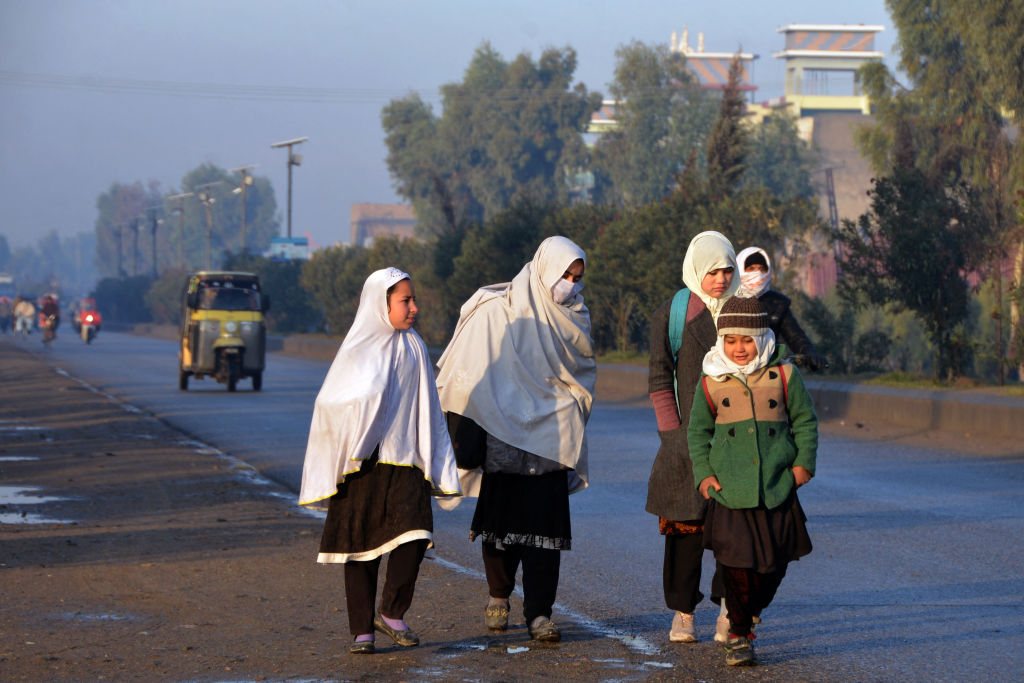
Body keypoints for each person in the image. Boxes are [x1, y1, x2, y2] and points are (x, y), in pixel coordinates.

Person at [435, 236, 596, 643]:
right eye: (565, 276)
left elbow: (579, 377)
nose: (571, 286)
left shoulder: (575, 317)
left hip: (551, 440)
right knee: (501, 530)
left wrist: (569, 407)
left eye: (577, 278)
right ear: (545, 271)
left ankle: (540, 614)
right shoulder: (497, 311)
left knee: (546, 535)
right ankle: (498, 596)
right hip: (502, 436)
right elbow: (467, 368)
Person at [298, 267, 461, 655]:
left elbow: (427, 408)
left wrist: (435, 458)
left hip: (406, 461)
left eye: (412, 299)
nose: (414, 308)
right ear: (380, 304)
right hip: (363, 464)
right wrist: (361, 411)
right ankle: (361, 631)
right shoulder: (358, 349)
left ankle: (390, 611)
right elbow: (330, 403)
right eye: (405, 301)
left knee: (416, 535)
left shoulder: (414, 347)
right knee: (359, 546)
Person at [688, 295, 817, 666]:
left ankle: (749, 611)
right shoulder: (712, 381)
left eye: (747, 340)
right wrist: (705, 474)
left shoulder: (784, 376)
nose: (739, 348)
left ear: (763, 338)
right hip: (730, 492)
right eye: (731, 340)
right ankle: (739, 636)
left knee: (776, 564)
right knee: (736, 567)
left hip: (778, 488)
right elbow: (698, 432)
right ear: (721, 341)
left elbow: (806, 422)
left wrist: (802, 465)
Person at [645, 230, 738, 644]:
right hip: (686, 439)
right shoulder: (675, 312)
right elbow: (659, 376)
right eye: (713, 270)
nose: (720, 278)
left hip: (736, 440)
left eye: (727, 270)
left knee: (733, 531)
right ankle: (683, 612)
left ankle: (730, 608)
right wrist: (673, 435)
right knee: (686, 529)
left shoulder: (744, 311)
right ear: (697, 269)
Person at [735, 247, 828, 371]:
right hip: (733, 369)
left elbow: (795, 336)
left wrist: (809, 352)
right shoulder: (728, 301)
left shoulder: (778, 303)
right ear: (739, 270)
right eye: (751, 269)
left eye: (762, 269)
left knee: (795, 387)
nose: (757, 274)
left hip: (769, 368)